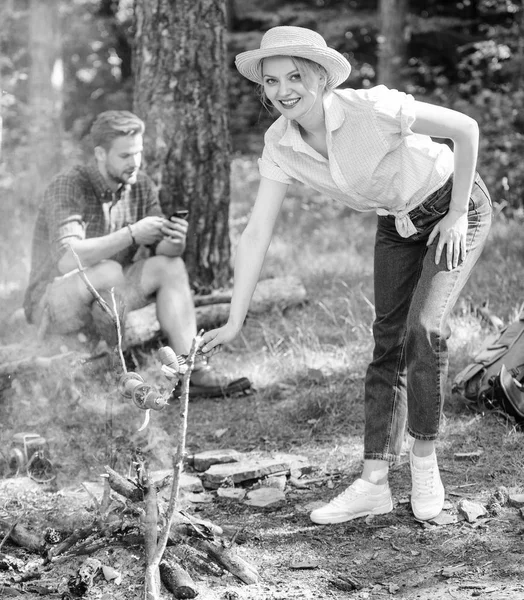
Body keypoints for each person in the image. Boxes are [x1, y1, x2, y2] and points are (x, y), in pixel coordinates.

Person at [200, 26, 492, 521]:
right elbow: (255, 233)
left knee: (424, 330)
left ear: (320, 77)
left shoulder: (369, 108)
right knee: (387, 344)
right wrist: (233, 320)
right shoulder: (280, 144)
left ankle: (424, 460)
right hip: (396, 223)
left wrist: (458, 212)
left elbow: (465, 129)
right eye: (271, 81)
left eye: (295, 76)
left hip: (452, 204)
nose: (283, 90)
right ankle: (374, 482)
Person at [23, 110, 251, 398]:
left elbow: (161, 249)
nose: (134, 163)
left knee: (170, 265)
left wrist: (175, 241)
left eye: (138, 153)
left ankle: (191, 373)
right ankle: (105, 368)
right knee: (109, 270)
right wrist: (131, 234)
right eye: (125, 156)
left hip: (111, 295)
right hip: (54, 300)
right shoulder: (70, 185)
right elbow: (67, 258)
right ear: (100, 154)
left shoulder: (140, 184)